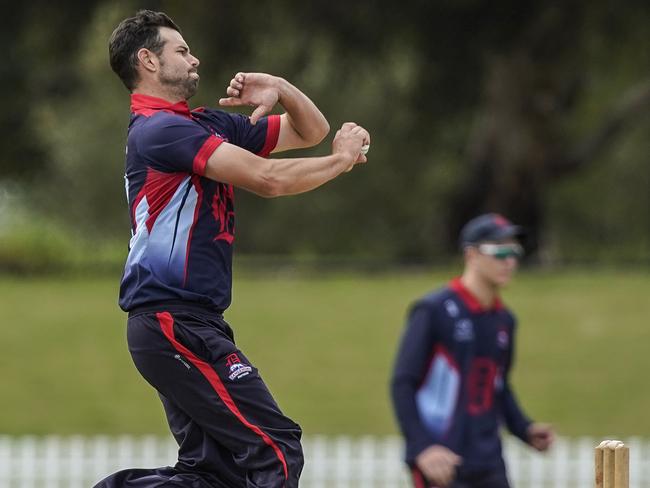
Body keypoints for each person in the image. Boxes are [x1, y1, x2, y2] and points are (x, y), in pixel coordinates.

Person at [97, 10, 370, 488]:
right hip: (173, 320)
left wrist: (281, 86)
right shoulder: (161, 130)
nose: (194, 57)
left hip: (182, 322)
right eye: (181, 50)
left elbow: (310, 131)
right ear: (148, 61)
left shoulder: (200, 124)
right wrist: (341, 162)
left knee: (214, 475)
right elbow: (266, 180)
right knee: (276, 449)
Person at [390, 213, 554, 488]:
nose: (510, 261)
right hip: (443, 461)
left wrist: (524, 429)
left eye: (514, 252)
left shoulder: (504, 320)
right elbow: (402, 383)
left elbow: (497, 386)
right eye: (499, 251)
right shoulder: (434, 310)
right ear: (471, 255)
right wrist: (422, 447)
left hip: (489, 460)